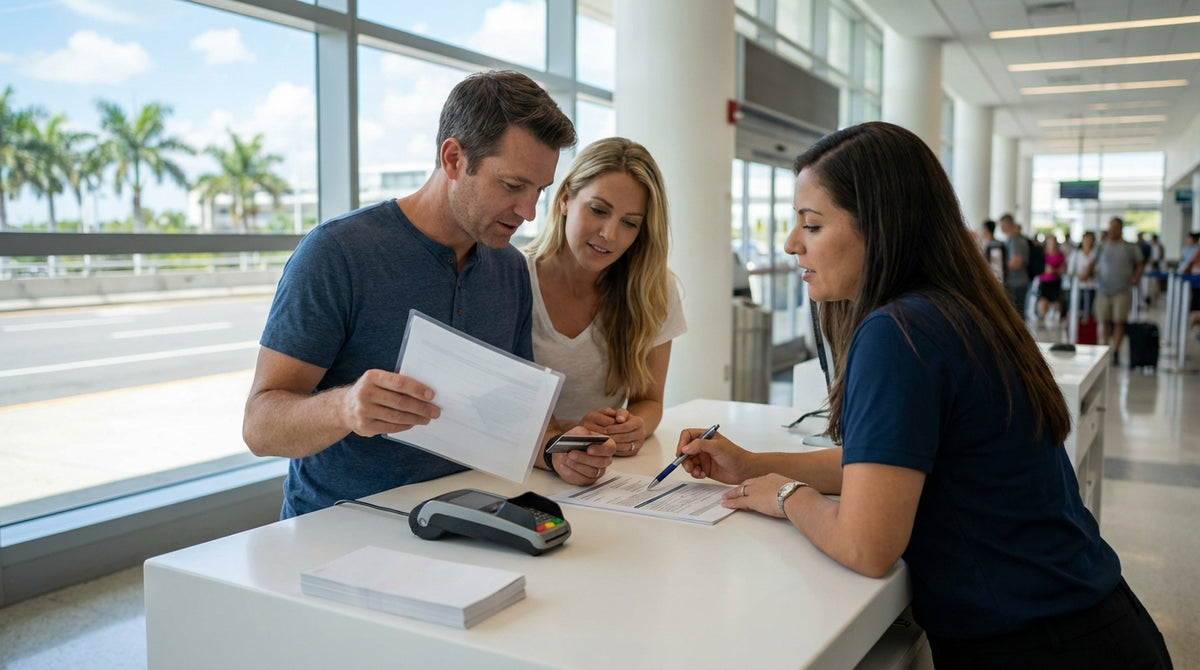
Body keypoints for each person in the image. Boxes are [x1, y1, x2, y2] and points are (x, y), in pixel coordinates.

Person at [673, 122, 1172, 669]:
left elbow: (867, 546)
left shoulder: (897, 332)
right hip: (1095, 626)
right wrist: (749, 464)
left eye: (811, 224)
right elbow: (888, 465)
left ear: (880, 228)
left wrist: (788, 496)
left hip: (1039, 646)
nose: (792, 243)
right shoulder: (953, 309)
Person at [243, 70, 617, 519]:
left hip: (466, 517)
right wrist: (343, 407)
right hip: (341, 523)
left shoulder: (511, 269)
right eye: (513, 186)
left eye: (538, 190)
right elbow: (260, 427)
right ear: (454, 158)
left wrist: (558, 449)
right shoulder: (338, 253)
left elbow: (512, 419)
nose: (528, 212)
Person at [522, 137, 687, 457]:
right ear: (566, 197)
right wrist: (571, 430)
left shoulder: (652, 289)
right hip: (521, 468)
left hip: (600, 470)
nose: (610, 234)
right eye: (598, 210)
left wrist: (631, 425)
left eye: (629, 223)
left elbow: (649, 402)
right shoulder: (513, 279)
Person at [1090, 217, 1144, 367]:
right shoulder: (1101, 246)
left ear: (1120, 229)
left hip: (1122, 289)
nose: (1111, 230)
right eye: (1110, 227)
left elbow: (1140, 264)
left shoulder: (1129, 247)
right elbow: (1092, 263)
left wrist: (1136, 277)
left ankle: (1115, 350)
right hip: (1103, 288)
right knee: (1103, 321)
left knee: (1119, 321)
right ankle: (1104, 349)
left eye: (1115, 227)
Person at [998, 213, 1030, 317]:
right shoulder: (1018, 238)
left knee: (1016, 314)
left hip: (1017, 282)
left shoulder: (1014, 240)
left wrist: (1000, 266)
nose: (1001, 228)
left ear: (1007, 224)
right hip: (1019, 281)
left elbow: (1017, 261)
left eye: (1002, 225)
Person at [1035, 235, 1065, 329]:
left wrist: (1054, 270)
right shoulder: (1042, 254)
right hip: (1044, 282)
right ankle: (1041, 322)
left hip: (1055, 282)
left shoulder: (1060, 255)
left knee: (1057, 304)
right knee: (1043, 303)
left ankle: (1057, 323)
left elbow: (1063, 270)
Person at [1067, 231, 1097, 318]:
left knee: (1090, 313)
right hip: (1078, 288)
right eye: (1086, 239)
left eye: (1090, 240)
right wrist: (1078, 277)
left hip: (1091, 287)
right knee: (1076, 312)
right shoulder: (1076, 255)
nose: (1088, 242)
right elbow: (1070, 271)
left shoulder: (1095, 255)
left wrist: (1090, 273)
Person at [980, 219, 1006, 287]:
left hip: (993, 281)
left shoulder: (995, 245)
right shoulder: (987, 243)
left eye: (983, 229)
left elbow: (997, 266)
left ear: (986, 229)